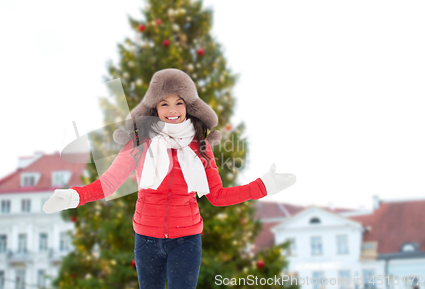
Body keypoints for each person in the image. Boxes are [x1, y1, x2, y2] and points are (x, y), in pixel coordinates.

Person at [42, 68, 296, 289]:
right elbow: (109, 183)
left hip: (187, 240)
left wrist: (264, 185)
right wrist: (74, 196)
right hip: (146, 239)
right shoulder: (140, 142)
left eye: (179, 102)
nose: (172, 110)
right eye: (164, 103)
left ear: (189, 106)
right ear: (154, 108)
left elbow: (217, 196)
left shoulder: (201, 146)